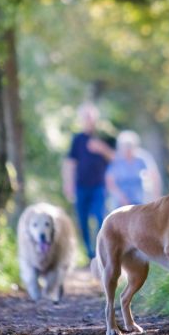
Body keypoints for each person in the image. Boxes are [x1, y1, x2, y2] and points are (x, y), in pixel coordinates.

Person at [62, 103, 114, 258]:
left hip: (100, 186)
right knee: (82, 220)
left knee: (100, 218)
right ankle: (89, 253)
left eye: (91, 117)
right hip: (81, 186)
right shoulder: (77, 139)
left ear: (95, 119)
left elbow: (115, 158)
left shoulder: (104, 137)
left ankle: (100, 251)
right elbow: (70, 163)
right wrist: (68, 184)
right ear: (81, 120)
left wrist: (102, 148)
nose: (88, 120)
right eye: (85, 117)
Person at [105, 131, 161, 207]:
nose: (128, 151)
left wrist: (156, 197)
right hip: (120, 202)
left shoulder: (142, 158)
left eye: (130, 147)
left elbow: (154, 176)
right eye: (125, 148)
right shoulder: (117, 160)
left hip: (140, 201)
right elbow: (109, 181)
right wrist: (120, 197)